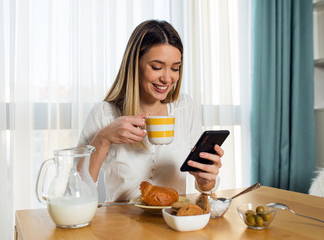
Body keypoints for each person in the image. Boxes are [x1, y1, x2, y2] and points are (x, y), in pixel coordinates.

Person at [78, 19, 224, 202]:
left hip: (172, 223)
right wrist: (103, 138)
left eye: (175, 68)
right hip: (122, 226)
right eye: (156, 67)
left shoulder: (184, 107)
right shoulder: (104, 114)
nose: (167, 78)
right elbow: (78, 189)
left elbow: (205, 183)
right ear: (134, 64)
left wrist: (206, 181)